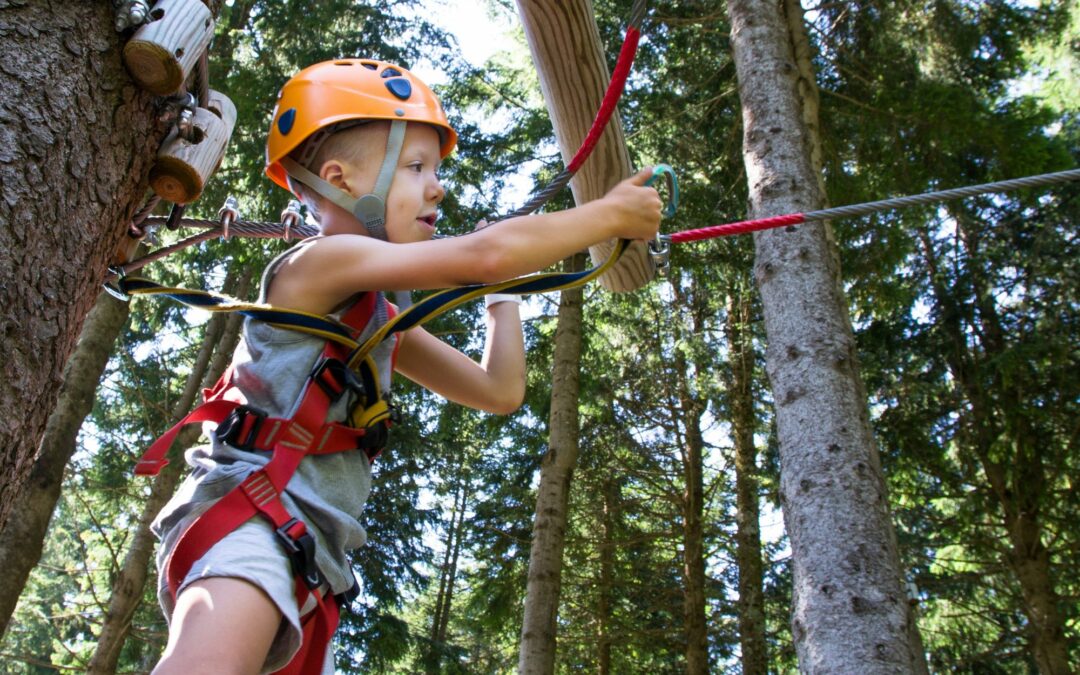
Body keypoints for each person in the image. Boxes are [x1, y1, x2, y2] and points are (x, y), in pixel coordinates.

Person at [149, 58, 661, 674]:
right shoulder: (316, 266)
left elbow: (497, 391)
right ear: (338, 179)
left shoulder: (378, 320)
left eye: (435, 168)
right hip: (251, 518)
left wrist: (503, 302)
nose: (438, 184)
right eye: (416, 167)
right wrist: (610, 215)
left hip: (309, 551)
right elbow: (488, 253)